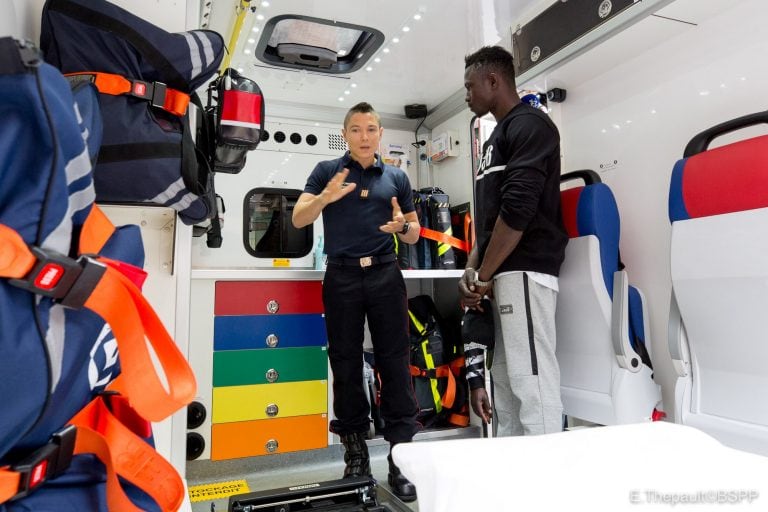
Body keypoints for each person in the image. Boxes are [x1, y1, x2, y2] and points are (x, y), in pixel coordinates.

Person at [292, 101, 420, 502]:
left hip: (385, 272)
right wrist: (324, 200)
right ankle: (356, 456)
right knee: (345, 362)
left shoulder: (397, 177)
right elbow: (299, 218)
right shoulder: (327, 172)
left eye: (371, 129)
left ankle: (401, 459)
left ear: (381, 134)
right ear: (345, 134)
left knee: (395, 361)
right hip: (342, 274)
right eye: (356, 130)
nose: (364, 137)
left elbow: (415, 231)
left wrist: (404, 228)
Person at [459, 46, 568, 436]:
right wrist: (473, 269)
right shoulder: (495, 139)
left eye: (471, 86)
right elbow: (490, 219)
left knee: (531, 380)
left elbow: (518, 211)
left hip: (525, 268)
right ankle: (510, 472)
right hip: (501, 273)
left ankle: (547, 479)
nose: (467, 94)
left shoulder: (530, 126)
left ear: (494, 80)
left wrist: (484, 275)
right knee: (504, 383)